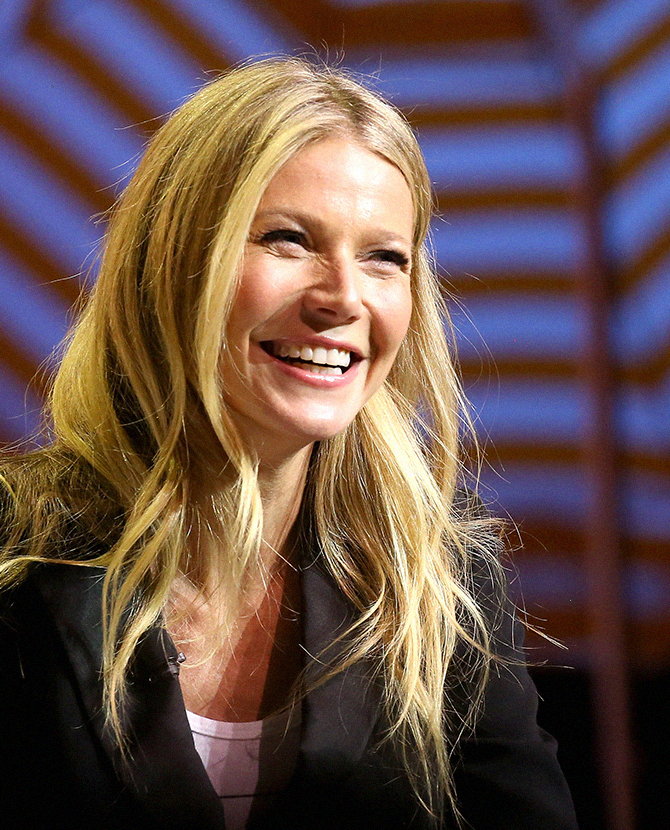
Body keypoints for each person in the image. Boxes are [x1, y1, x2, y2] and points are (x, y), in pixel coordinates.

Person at [0, 58, 578, 830]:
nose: (343, 297)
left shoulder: (443, 578)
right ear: (171, 263)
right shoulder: (16, 556)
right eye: (289, 239)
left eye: (384, 258)